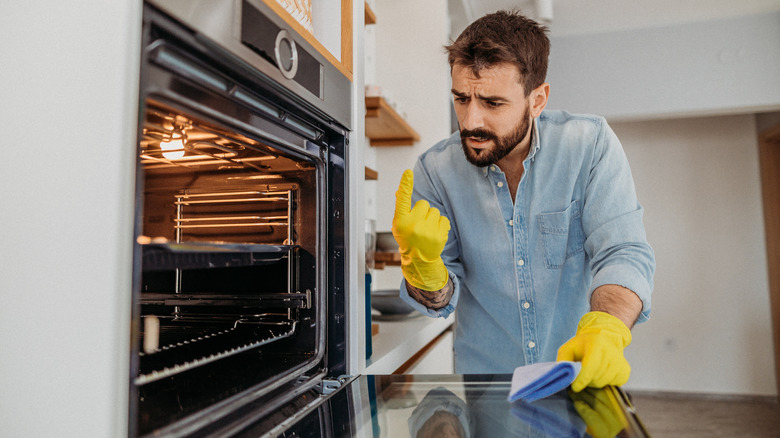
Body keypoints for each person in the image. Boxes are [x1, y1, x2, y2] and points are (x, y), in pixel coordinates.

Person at [391, 10, 655, 392]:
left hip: (578, 377)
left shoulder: (589, 144)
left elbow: (623, 250)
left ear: (537, 100)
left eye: (493, 103)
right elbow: (441, 298)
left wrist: (608, 328)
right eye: (461, 99)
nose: (470, 121)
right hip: (487, 389)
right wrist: (424, 273)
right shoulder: (434, 171)